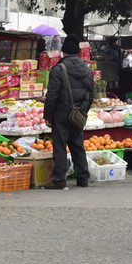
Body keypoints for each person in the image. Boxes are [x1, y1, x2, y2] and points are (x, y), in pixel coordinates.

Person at [43, 35, 94, 190]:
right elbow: (91, 94)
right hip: (77, 114)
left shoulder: (58, 69)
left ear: (63, 52)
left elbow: (52, 95)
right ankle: (83, 177)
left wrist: (48, 115)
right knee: (77, 145)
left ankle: (59, 179)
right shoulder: (87, 70)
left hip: (60, 114)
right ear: (78, 52)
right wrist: (83, 110)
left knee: (60, 146)